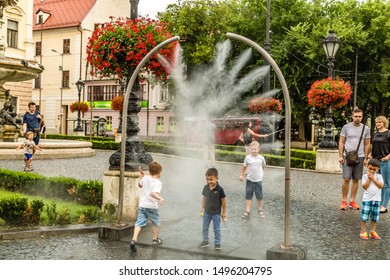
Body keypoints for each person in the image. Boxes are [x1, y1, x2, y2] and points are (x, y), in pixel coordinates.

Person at [338, 107, 370, 210]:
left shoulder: (366, 129)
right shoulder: (346, 127)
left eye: (359, 116)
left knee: (356, 179)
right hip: (347, 156)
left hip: (360, 157)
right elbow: (341, 142)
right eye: (356, 116)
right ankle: (344, 200)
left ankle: (352, 200)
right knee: (346, 178)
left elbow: (367, 144)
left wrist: (366, 158)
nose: (357, 118)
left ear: (362, 117)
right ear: (352, 116)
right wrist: (340, 155)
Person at [130, 162, 164, 253]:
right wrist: (160, 198)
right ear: (160, 172)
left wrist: (142, 175)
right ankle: (154, 239)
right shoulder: (158, 182)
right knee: (155, 222)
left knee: (139, 223)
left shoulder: (145, 178)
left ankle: (134, 240)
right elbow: (153, 193)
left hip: (142, 205)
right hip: (152, 207)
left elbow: (139, 185)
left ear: (150, 171)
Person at [198, 167, 227, 250]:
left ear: (217, 178)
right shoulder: (205, 187)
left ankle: (217, 244)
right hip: (207, 212)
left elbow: (223, 201)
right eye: (207, 179)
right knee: (205, 227)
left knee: (216, 229)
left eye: (211, 179)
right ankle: (205, 241)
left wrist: (224, 212)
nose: (209, 182)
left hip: (216, 213)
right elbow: (204, 198)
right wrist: (202, 208)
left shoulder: (220, 189)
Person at [239, 141, 266, 219]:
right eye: (252, 149)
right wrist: (241, 175)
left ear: (259, 149)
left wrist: (260, 174)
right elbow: (243, 167)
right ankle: (247, 210)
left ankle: (260, 209)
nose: (253, 151)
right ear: (250, 150)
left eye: (255, 149)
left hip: (258, 180)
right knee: (248, 195)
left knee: (259, 196)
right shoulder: (247, 158)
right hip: (250, 180)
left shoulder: (261, 158)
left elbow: (263, 166)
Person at [369, 115, 390, 214]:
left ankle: (384, 206)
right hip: (376, 162)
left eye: (380, 122)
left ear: (384, 123)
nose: (378, 124)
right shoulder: (376, 134)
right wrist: (371, 154)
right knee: (378, 183)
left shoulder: (389, 133)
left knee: (386, 184)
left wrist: (388, 157)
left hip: (385, 161)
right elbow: (374, 146)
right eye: (377, 122)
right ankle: (379, 203)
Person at [359, 159, 384, 240]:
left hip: (377, 200)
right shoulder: (364, 176)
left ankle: (372, 231)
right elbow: (365, 186)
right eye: (370, 169)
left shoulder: (379, 177)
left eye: (374, 169)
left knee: (375, 217)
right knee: (364, 217)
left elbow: (381, 186)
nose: (372, 171)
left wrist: (374, 179)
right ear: (367, 167)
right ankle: (363, 231)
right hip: (367, 200)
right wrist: (369, 179)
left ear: (378, 169)